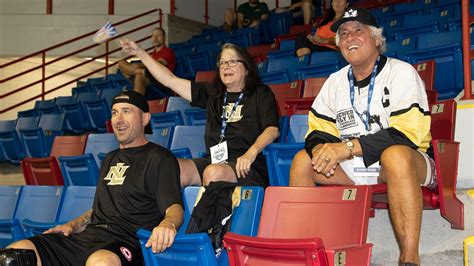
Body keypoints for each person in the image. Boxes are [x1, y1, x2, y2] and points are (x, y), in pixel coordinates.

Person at [289, 8, 435, 265]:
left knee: (396, 155)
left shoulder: (401, 73)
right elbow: (316, 132)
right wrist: (324, 150)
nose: (349, 38)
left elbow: (407, 135)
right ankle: (307, 255)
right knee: (303, 160)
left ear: (377, 39)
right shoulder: (334, 82)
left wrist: (346, 148)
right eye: (343, 33)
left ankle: (409, 258)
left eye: (358, 30)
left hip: (409, 163)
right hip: (356, 167)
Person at [3, 90, 184, 265]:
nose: (119, 120)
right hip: (90, 237)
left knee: (101, 262)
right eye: (114, 113)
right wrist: (74, 225)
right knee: (16, 254)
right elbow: (97, 211)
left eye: (126, 111)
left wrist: (169, 224)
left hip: (128, 242)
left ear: (145, 118)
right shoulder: (109, 159)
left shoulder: (161, 158)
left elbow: (174, 207)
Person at [120, 39, 280, 188]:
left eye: (232, 62)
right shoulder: (214, 93)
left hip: (248, 166)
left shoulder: (260, 93)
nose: (226, 67)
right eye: (222, 63)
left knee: (213, 172)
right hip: (216, 161)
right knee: (171, 169)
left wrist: (250, 153)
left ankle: (207, 219)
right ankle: (167, 217)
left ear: (246, 68)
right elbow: (169, 80)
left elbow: (272, 129)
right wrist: (140, 52)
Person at [117, 28, 176, 99]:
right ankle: (140, 71)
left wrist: (140, 65)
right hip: (147, 75)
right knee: (121, 63)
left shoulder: (168, 51)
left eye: (158, 36)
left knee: (139, 76)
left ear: (164, 38)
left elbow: (158, 64)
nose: (155, 38)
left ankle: (137, 103)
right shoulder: (153, 54)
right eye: (153, 36)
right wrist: (141, 68)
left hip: (160, 79)